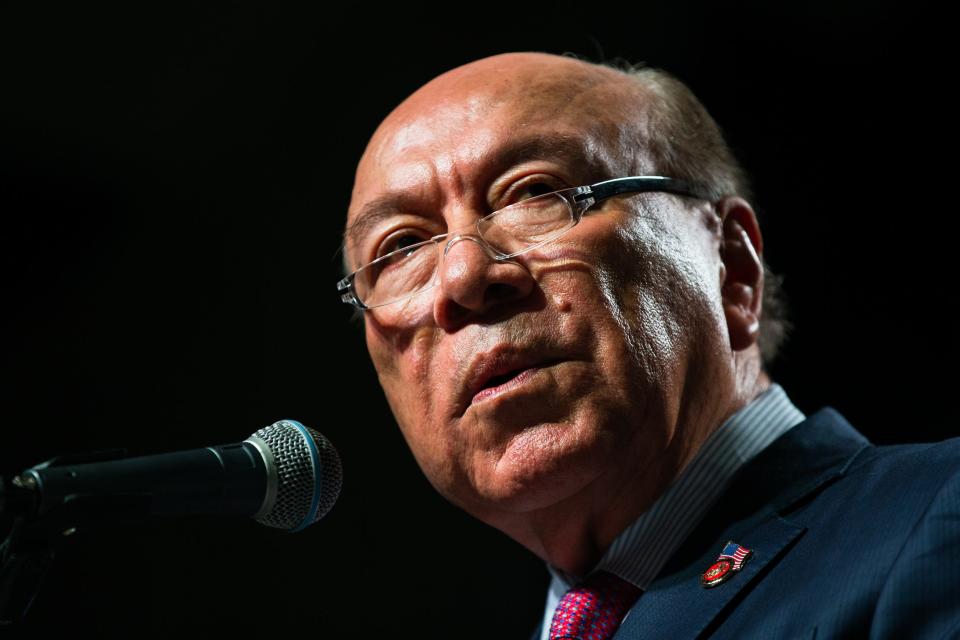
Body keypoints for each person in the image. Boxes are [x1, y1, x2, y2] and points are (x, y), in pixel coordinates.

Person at [338, 52, 960, 639]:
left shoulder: (939, 519)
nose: (463, 278)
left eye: (535, 194)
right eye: (399, 249)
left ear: (732, 267)